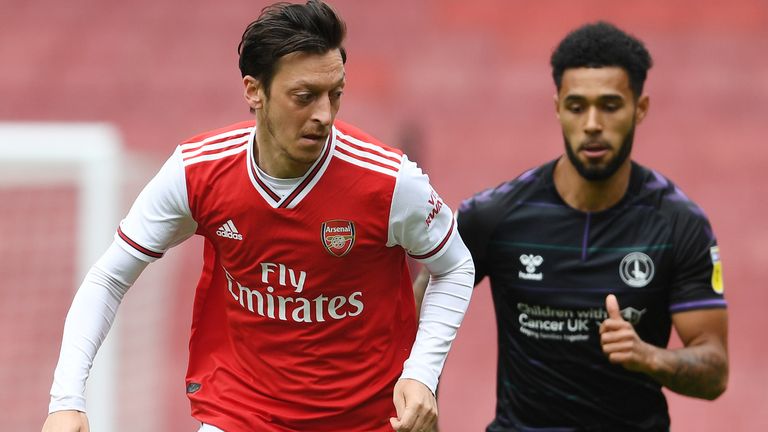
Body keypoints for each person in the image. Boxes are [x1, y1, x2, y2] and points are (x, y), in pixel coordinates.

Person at [41, 2, 474, 431]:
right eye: (304, 97)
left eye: (335, 94)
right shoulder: (197, 173)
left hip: (365, 418)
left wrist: (422, 372)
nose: (324, 115)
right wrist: (66, 400)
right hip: (244, 413)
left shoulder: (388, 181)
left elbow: (454, 264)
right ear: (254, 91)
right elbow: (109, 277)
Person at [415, 21, 728, 431]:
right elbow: (412, 319)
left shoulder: (679, 224)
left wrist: (649, 356)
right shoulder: (495, 216)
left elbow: (715, 371)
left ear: (641, 108)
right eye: (578, 106)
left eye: (611, 105)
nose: (593, 123)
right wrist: (424, 406)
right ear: (558, 107)